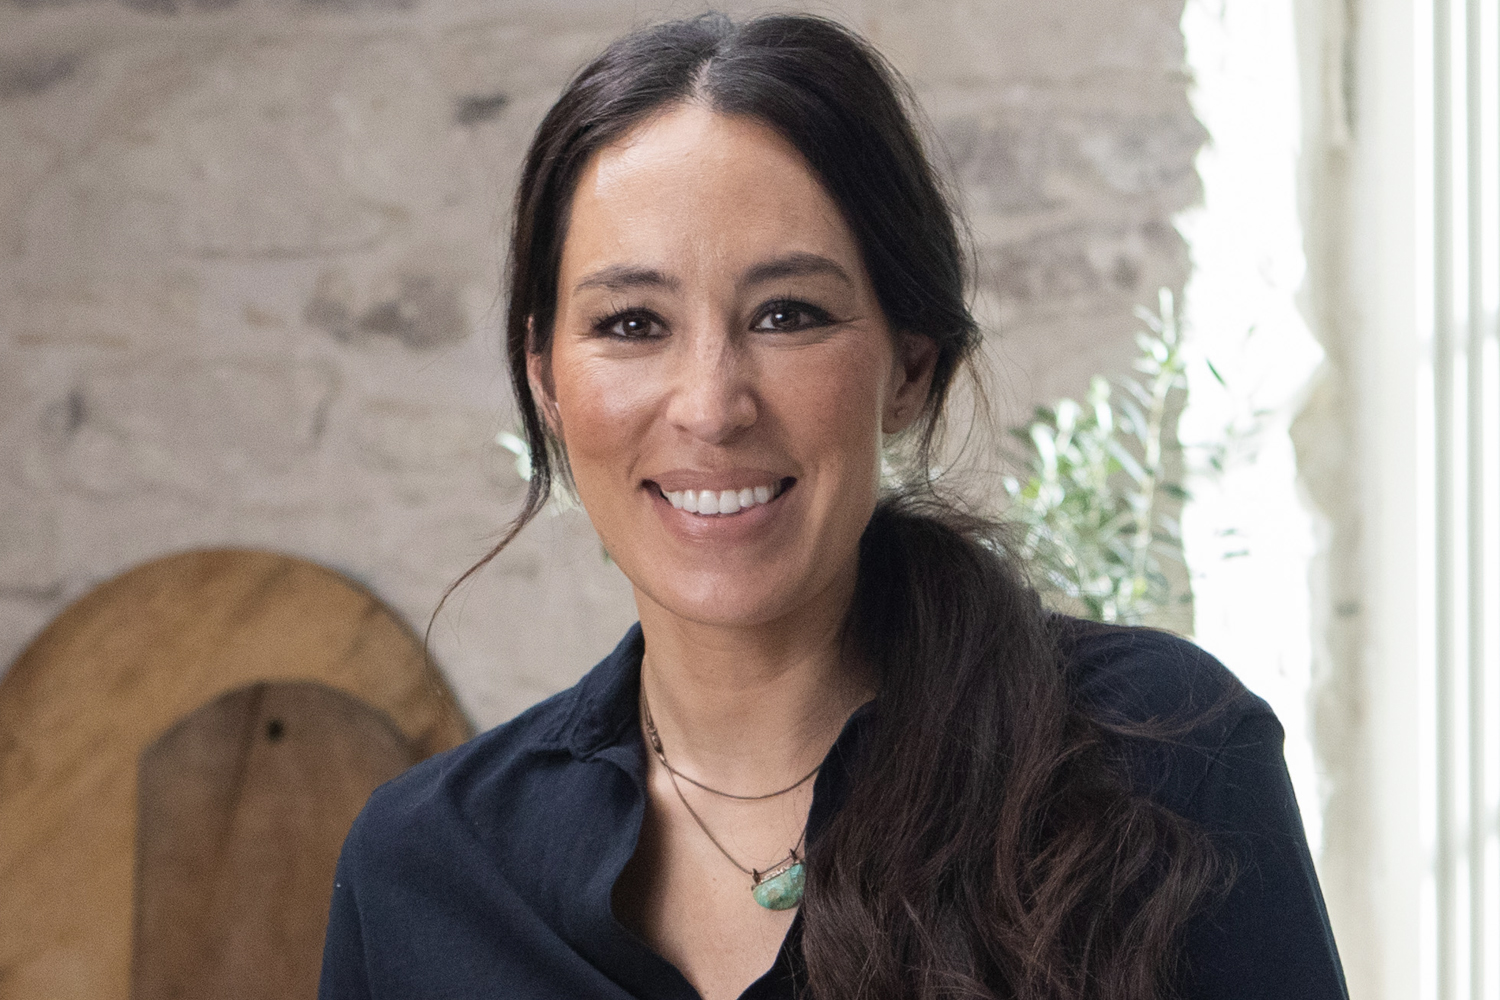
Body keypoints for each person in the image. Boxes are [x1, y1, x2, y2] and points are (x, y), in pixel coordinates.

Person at [318, 13, 1348, 1000]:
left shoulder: (1166, 757)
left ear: (910, 368)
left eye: (788, 314)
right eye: (632, 323)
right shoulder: (423, 870)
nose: (711, 405)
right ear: (547, 380)